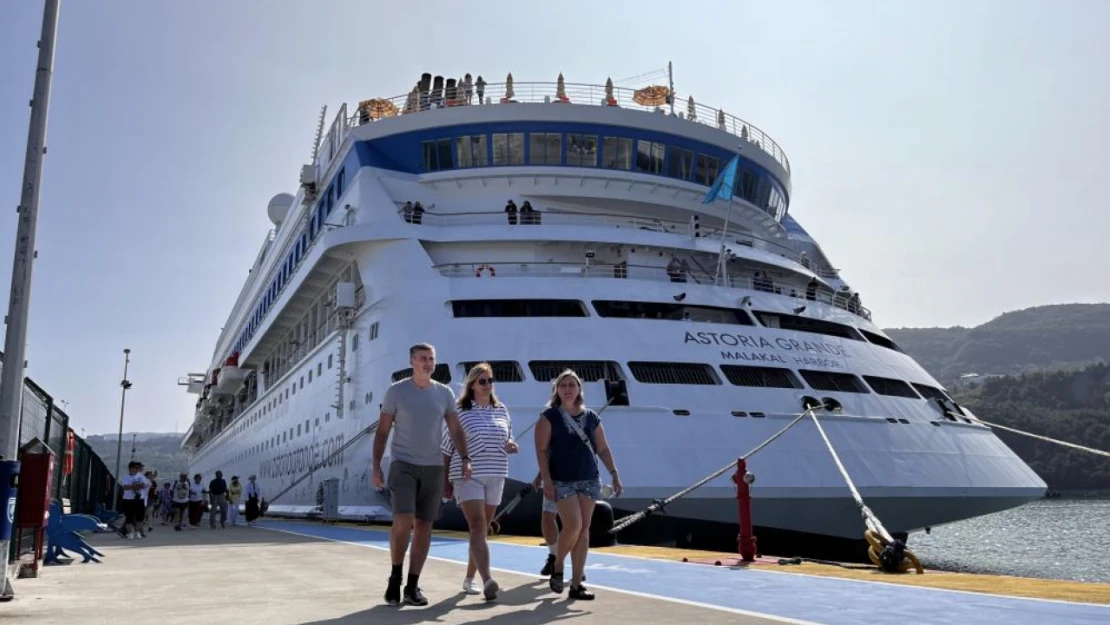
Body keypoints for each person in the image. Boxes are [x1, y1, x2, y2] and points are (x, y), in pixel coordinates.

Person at [373, 343, 472, 607]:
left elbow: (455, 429)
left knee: (425, 525)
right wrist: (375, 466)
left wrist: (464, 458)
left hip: (434, 467)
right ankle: (395, 576)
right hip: (403, 463)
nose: (429, 363)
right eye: (423, 358)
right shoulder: (396, 392)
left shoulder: (444, 393)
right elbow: (382, 432)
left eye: (431, 359)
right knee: (403, 519)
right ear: (412, 361)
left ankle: (412, 585)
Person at [534, 369, 622, 600]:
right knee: (572, 526)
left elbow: (602, 448)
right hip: (562, 480)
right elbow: (542, 451)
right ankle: (558, 565)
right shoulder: (549, 417)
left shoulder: (591, 417)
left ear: (579, 389)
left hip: (589, 479)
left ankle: (576, 584)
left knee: (584, 532)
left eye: (572, 385)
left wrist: (614, 473)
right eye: (563, 385)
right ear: (557, 390)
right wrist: (547, 480)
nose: (568, 389)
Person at [442, 363, 517, 600]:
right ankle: (487, 580)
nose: (487, 385)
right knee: (476, 525)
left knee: (482, 529)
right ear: (472, 385)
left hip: (496, 473)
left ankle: (468, 579)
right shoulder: (460, 411)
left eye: (490, 380)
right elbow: (446, 448)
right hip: (466, 475)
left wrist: (511, 444)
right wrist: (445, 480)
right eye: (482, 381)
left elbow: (508, 436)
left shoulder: (501, 409)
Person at [120, 461, 150, 540]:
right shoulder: (126, 477)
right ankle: (130, 533)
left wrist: (135, 486)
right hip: (128, 499)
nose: (137, 469)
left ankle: (137, 531)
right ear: (131, 468)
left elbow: (144, 484)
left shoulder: (141, 476)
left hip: (139, 499)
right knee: (129, 517)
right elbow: (125, 487)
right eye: (135, 467)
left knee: (140, 517)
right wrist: (134, 486)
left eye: (138, 468)